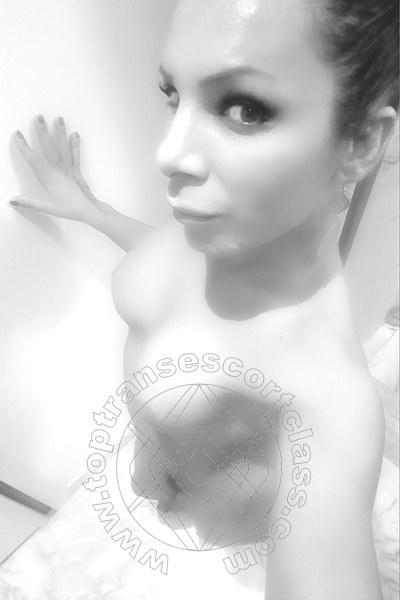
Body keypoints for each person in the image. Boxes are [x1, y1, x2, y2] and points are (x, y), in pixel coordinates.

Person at [9, 0, 399, 597]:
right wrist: (92, 210)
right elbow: (169, 263)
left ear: (361, 141)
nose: (169, 154)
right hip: (153, 492)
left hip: (220, 556)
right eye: (174, 95)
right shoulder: (229, 229)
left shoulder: (323, 399)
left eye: (245, 108)